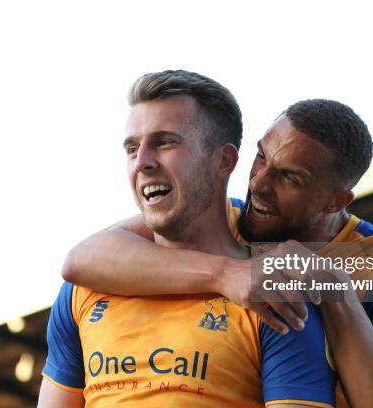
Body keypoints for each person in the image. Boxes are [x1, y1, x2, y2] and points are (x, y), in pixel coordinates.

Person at [63, 98, 373, 408]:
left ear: (335, 201)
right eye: (261, 158)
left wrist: (336, 294)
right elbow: (83, 258)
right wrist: (224, 272)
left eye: (289, 177)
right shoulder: (220, 216)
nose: (258, 184)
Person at [38, 70, 336, 408]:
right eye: (132, 148)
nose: (143, 162)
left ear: (223, 160)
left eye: (165, 142)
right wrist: (222, 273)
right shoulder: (86, 288)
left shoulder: (272, 298)